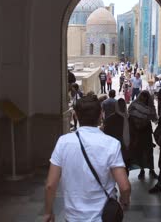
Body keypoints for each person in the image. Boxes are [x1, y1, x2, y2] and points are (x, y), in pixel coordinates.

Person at [44, 94, 131, 222]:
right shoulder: (111, 143)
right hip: (103, 217)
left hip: (73, 217)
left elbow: (50, 185)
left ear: (76, 115)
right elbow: (125, 187)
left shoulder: (63, 142)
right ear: (101, 115)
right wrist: (123, 202)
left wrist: (48, 212)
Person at [128, 90, 158, 179]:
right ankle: (142, 170)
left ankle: (151, 170)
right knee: (140, 152)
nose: (143, 100)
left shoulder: (150, 107)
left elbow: (153, 117)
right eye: (141, 98)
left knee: (148, 151)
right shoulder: (134, 104)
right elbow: (129, 113)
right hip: (137, 132)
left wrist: (144, 117)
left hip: (146, 131)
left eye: (145, 99)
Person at [103, 98, 131, 175]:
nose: (122, 107)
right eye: (120, 105)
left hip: (127, 147)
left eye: (123, 105)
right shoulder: (111, 119)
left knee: (126, 166)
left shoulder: (129, 117)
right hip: (116, 147)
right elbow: (106, 134)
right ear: (117, 106)